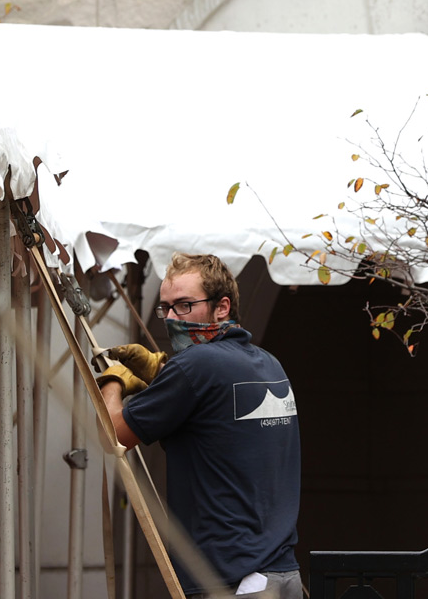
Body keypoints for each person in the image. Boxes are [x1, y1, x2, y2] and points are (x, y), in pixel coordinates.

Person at [98, 252, 303, 599]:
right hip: (282, 575)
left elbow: (113, 435)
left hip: (229, 579)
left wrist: (111, 381)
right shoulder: (269, 365)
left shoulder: (196, 365)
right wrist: (160, 376)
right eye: (166, 308)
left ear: (222, 307)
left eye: (184, 305)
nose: (172, 318)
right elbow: (213, 413)